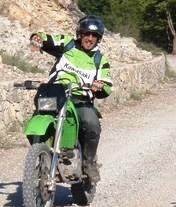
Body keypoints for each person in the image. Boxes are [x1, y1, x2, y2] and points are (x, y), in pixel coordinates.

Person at [29, 15, 113, 184]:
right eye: (86, 34)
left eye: (94, 36)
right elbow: (47, 39)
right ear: (80, 34)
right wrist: (37, 38)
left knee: (91, 123)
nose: (89, 38)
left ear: (98, 39)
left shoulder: (100, 60)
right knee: (36, 118)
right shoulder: (67, 44)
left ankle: (89, 163)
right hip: (56, 92)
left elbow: (107, 85)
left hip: (79, 98)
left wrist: (99, 86)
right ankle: (42, 153)